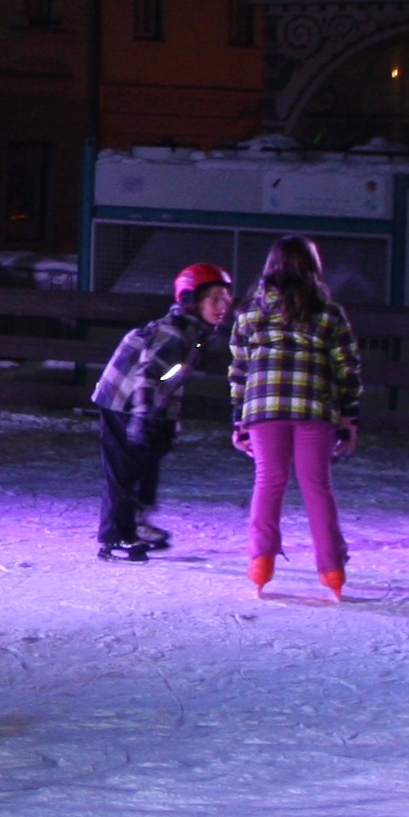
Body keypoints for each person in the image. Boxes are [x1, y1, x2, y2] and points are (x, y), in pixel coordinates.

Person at [228, 234, 361, 598]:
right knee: (316, 486)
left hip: (264, 406)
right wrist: (349, 416)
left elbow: (239, 370)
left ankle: (261, 562)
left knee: (269, 481)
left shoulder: (249, 314)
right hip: (314, 406)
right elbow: (347, 367)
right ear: (314, 267)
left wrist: (239, 418)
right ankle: (332, 569)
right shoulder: (329, 313)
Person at [89, 262, 228, 561]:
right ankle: (115, 537)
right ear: (191, 300)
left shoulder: (194, 334)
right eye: (215, 299)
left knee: (150, 460)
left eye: (226, 298)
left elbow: (171, 380)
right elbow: (148, 374)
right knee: (124, 469)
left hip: (144, 402)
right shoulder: (174, 334)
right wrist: (141, 417)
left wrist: (169, 418)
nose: (223, 306)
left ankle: (136, 521)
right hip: (122, 400)